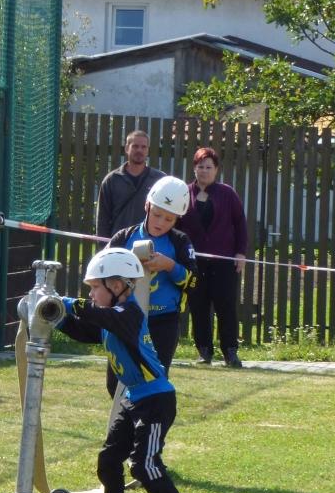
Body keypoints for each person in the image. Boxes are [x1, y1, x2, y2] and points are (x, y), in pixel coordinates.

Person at [55, 248, 202, 493]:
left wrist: (65, 303)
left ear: (117, 285)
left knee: (144, 464)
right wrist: (56, 317)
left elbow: (94, 313)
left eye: (95, 287)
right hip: (133, 398)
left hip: (156, 400)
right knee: (109, 459)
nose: (92, 294)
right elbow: (85, 331)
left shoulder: (129, 314)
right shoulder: (111, 320)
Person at [105, 175, 198, 396]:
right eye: (157, 214)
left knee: (155, 384)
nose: (161, 223)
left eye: (169, 219)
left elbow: (193, 282)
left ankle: (146, 418)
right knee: (115, 384)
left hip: (162, 323)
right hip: (125, 319)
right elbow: (101, 274)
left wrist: (170, 266)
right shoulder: (123, 237)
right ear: (147, 206)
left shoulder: (180, 242)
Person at [176, 147, 248, 367]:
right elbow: (176, 226)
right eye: (201, 166)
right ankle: (204, 351)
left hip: (224, 262)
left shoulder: (228, 194)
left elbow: (240, 224)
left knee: (226, 307)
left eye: (209, 167)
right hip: (195, 262)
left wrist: (241, 252)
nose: (204, 171)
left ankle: (230, 352)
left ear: (216, 170)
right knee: (198, 307)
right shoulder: (184, 194)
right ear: (194, 168)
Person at [95, 129, 165, 239]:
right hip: (119, 242)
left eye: (143, 147)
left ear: (147, 150)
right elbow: (102, 219)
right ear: (127, 148)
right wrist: (103, 245)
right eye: (135, 146)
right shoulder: (112, 180)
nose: (139, 150)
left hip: (150, 242)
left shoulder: (160, 180)